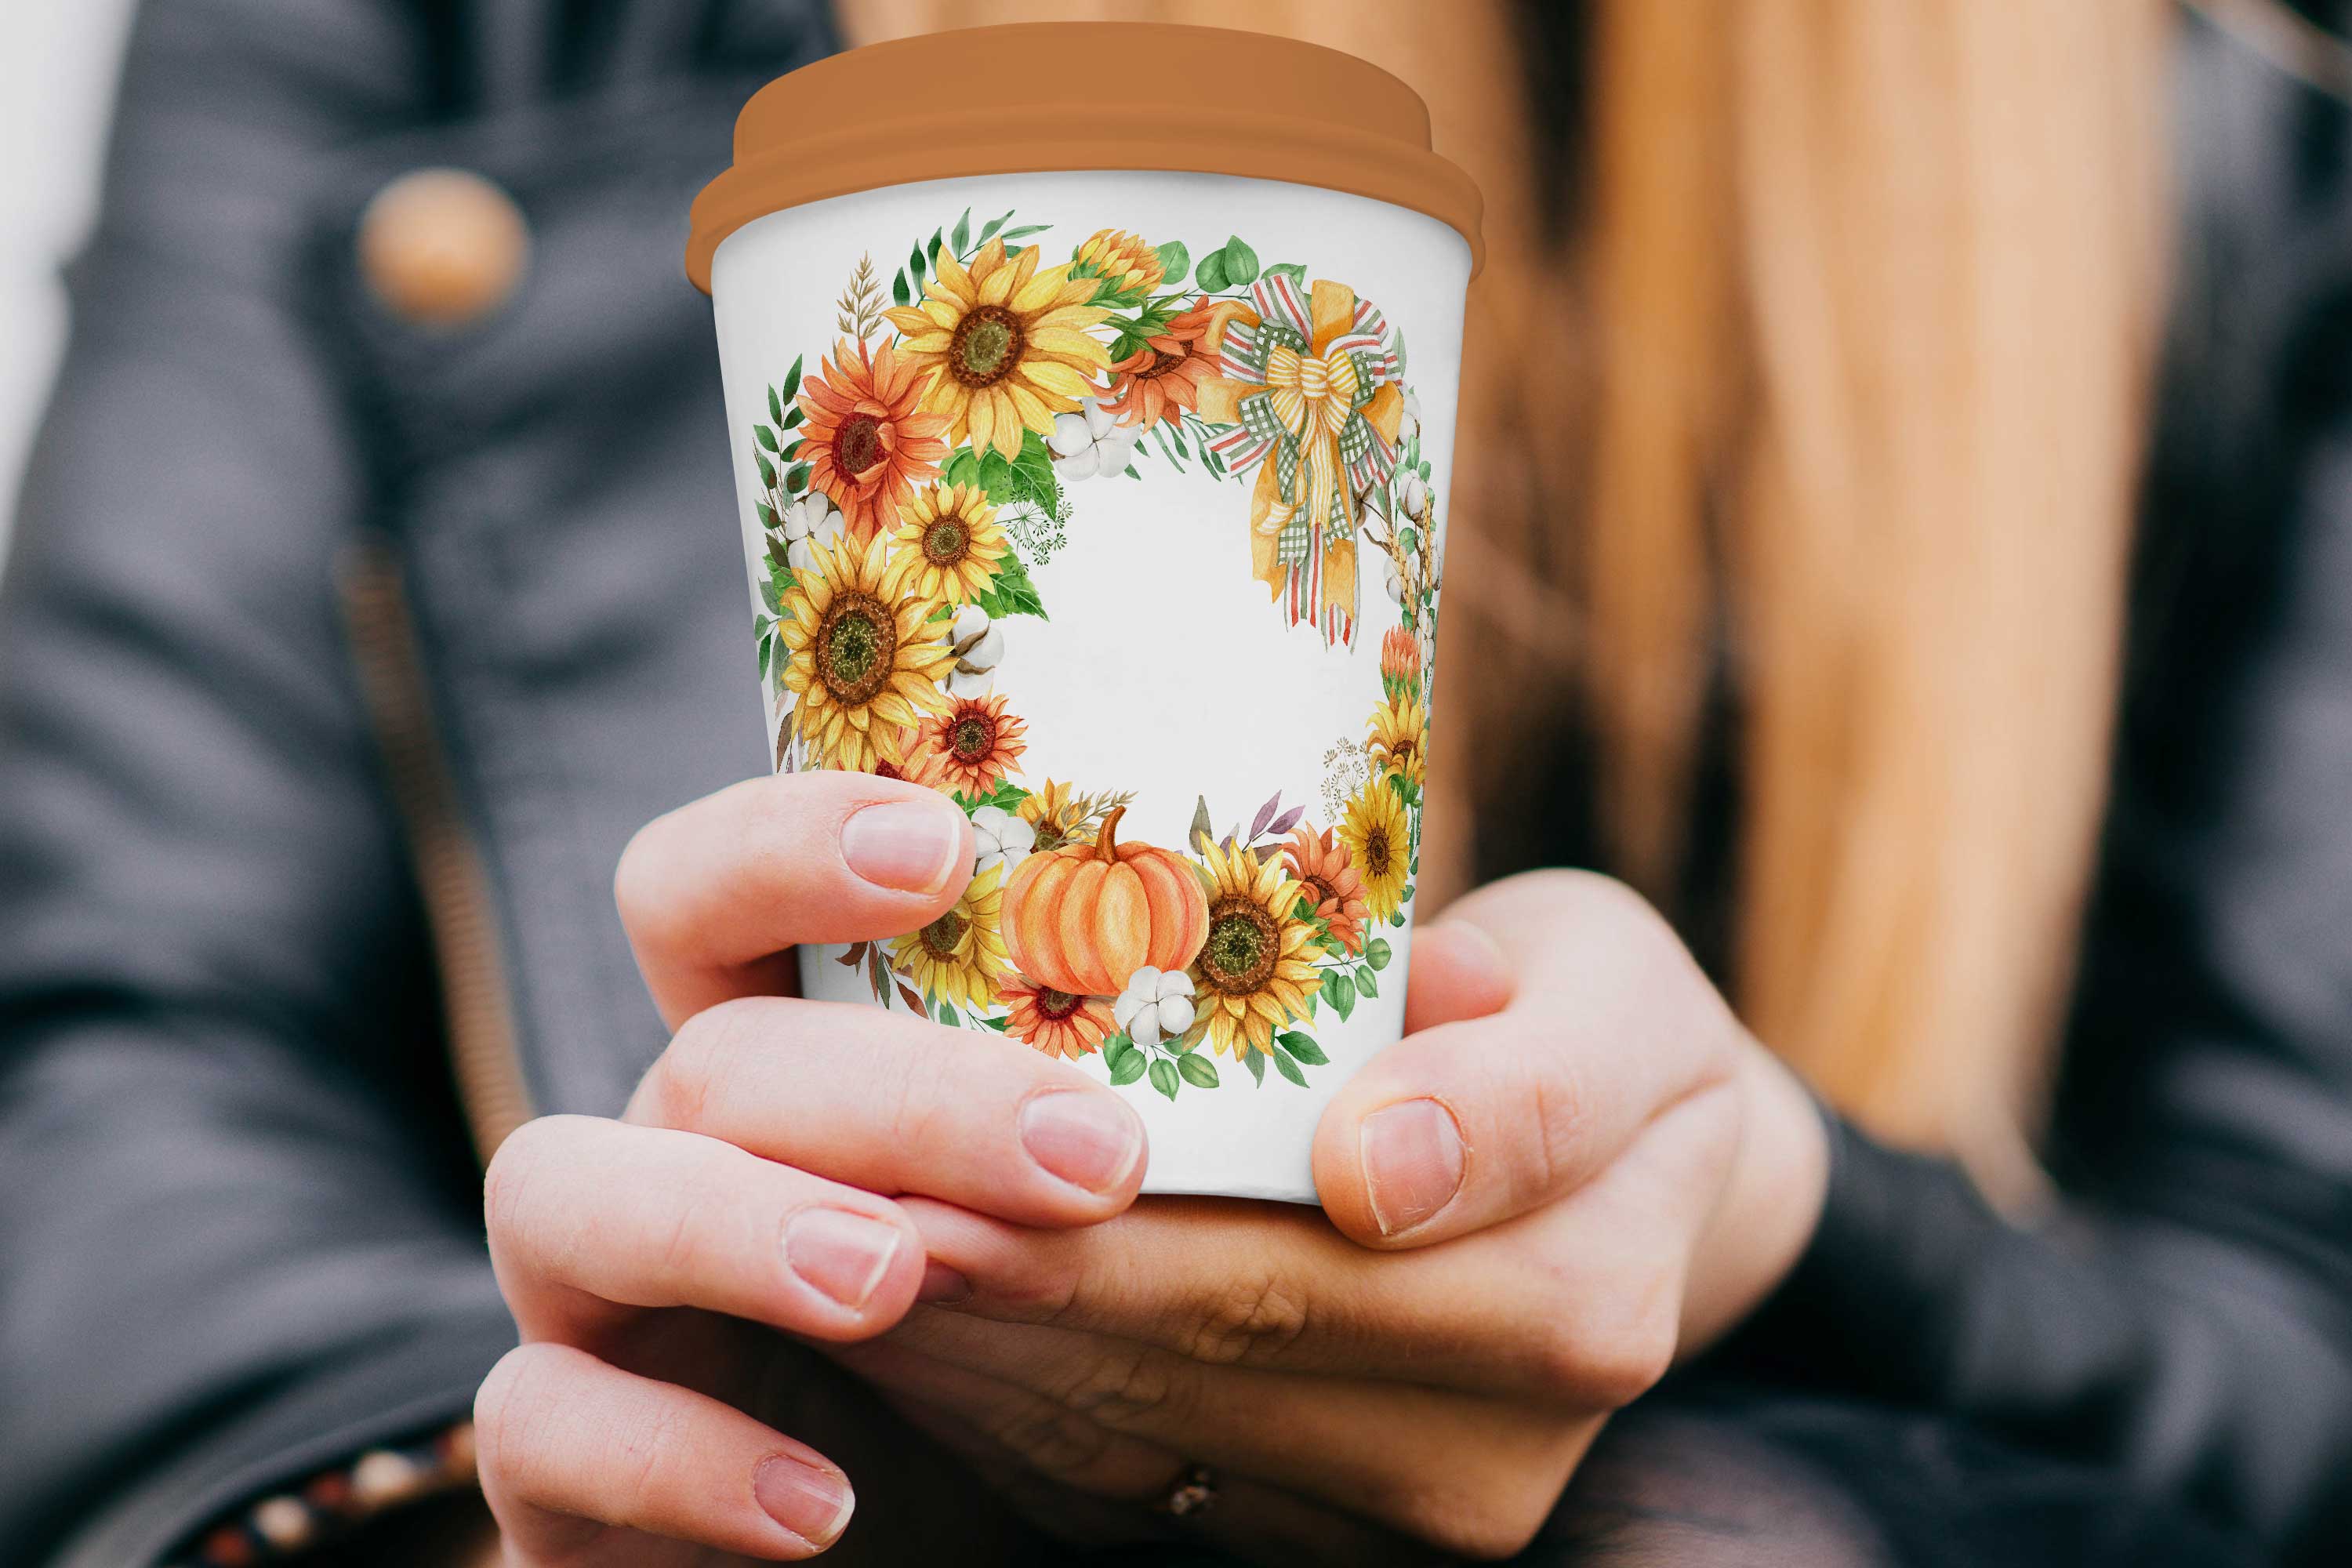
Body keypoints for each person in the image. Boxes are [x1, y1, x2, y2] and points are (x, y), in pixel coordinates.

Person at [0, 2, 2347, 1565]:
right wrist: (509, 1504)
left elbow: (2293, 1350)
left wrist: (1785, 1236)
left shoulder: (2246, 117)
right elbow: (105, 1084)